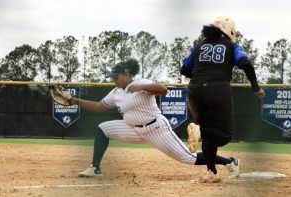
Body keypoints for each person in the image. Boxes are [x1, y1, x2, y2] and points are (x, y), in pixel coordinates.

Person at [65, 58, 238, 183]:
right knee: (103, 128)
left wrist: (142, 87)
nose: (114, 79)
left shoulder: (140, 82)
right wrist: (75, 101)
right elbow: (98, 107)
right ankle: (95, 168)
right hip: (133, 129)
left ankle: (229, 161)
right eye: (113, 77)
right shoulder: (116, 92)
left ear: (126, 75)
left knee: (188, 158)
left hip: (156, 128)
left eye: (116, 76)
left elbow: (163, 89)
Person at [180, 16, 266, 181]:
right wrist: (256, 88)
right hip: (217, 89)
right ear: (230, 31)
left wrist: (201, 76)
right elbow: (246, 64)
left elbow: (184, 69)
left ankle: (211, 172)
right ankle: (199, 131)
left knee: (209, 135)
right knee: (224, 135)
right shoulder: (232, 46)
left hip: (194, 91)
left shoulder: (199, 46)